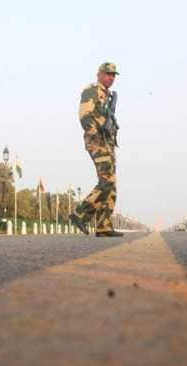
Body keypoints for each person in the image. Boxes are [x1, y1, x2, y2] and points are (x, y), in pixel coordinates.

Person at [70, 62, 123, 237]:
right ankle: (80, 213)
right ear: (99, 74)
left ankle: (103, 226)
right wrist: (96, 135)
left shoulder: (107, 95)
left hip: (107, 142)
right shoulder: (91, 90)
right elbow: (85, 116)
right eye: (108, 74)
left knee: (111, 184)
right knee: (106, 181)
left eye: (113, 75)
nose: (111, 77)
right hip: (97, 141)